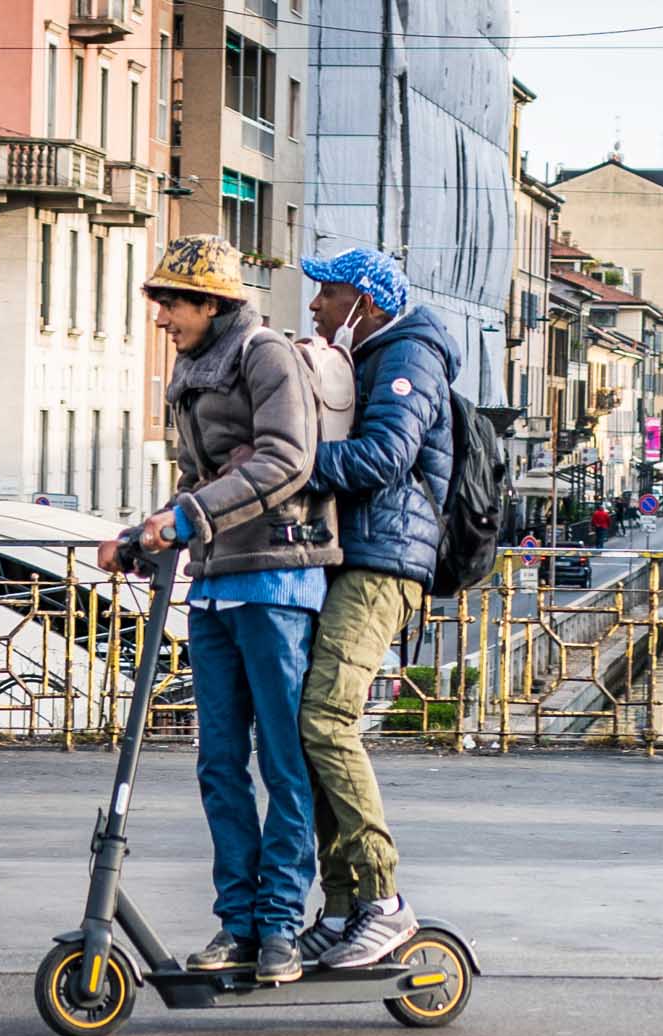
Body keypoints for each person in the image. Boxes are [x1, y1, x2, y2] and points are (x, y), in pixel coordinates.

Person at [99, 234, 336, 986]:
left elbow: (284, 458)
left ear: (212, 302)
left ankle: (279, 928)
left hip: (277, 577)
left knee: (283, 761)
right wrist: (143, 530)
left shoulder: (265, 354)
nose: (162, 316)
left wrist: (187, 513)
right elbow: (203, 479)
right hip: (214, 580)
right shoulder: (193, 366)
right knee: (218, 763)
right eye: (161, 301)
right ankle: (236, 923)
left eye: (172, 301)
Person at [293, 246, 459, 967]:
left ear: (367, 300)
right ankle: (342, 905)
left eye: (327, 294)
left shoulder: (409, 357)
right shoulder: (375, 354)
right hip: (358, 553)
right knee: (311, 725)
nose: (316, 306)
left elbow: (386, 456)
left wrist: (291, 469)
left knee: (327, 718)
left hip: (385, 561)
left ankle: (385, 901)